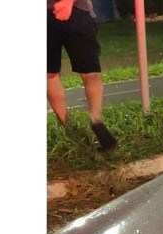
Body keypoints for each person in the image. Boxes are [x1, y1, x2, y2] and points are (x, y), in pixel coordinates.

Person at [47, 0, 117, 151]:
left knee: (90, 71)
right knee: (48, 74)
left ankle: (96, 121)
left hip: (77, 11)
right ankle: (68, 128)